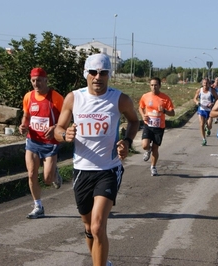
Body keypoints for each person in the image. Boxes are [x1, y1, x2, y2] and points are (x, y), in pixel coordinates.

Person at [54, 54, 139, 266]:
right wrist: (65, 135)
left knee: (98, 226)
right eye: (93, 72)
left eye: (103, 73)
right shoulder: (74, 98)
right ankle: (101, 261)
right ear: (86, 74)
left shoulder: (120, 99)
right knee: (88, 227)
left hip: (108, 169)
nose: (97, 77)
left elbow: (134, 121)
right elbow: (57, 129)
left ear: (109, 75)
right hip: (82, 170)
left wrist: (127, 141)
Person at [19, 67, 64, 219]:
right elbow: (26, 116)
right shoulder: (28, 97)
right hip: (32, 141)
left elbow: (65, 119)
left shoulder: (56, 97)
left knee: (47, 179)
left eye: (39, 80)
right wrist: (24, 125)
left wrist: (55, 128)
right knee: (31, 174)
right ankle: (38, 206)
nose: (36, 83)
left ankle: (54, 174)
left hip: (50, 143)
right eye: (33, 81)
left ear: (46, 80)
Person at [139, 77, 175, 176]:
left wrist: (164, 111)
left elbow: (172, 113)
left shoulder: (165, 98)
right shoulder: (145, 96)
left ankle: (153, 167)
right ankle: (147, 150)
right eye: (152, 85)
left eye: (156, 85)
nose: (154, 87)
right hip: (148, 125)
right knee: (145, 145)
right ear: (149, 86)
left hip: (159, 127)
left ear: (159, 86)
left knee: (155, 148)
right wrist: (143, 116)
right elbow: (140, 107)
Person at [193, 78, 217, 146]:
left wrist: (212, 103)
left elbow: (217, 98)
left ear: (209, 84)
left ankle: (208, 128)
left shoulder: (211, 91)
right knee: (201, 124)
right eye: (204, 83)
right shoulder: (199, 90)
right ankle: (204, 139)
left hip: (209, 110)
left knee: (209, 126)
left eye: (207, 83)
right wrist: (197, 102)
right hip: (201, 109)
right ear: (202, 84)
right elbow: (194, 98)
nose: (205, 84)